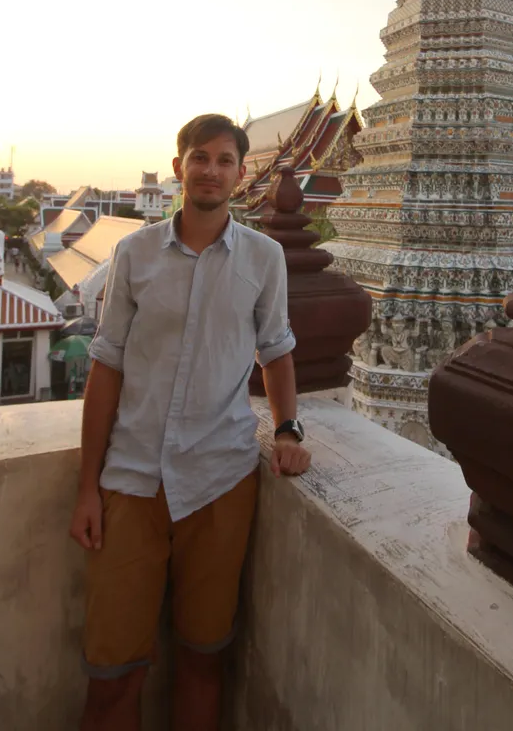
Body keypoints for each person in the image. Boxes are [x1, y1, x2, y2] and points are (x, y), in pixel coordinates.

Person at [69, 113, 311, 731]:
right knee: (113, 671)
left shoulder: (264, 257)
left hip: (219, 479)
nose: (211, 170)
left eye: (225, 160)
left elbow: (276, 350)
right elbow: (106, 368)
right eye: (199, 158)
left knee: (203, 660)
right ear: (179, 168)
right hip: (131, 481)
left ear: (239, 173)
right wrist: (86, 489)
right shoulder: (135, 253)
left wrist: (287, 430)